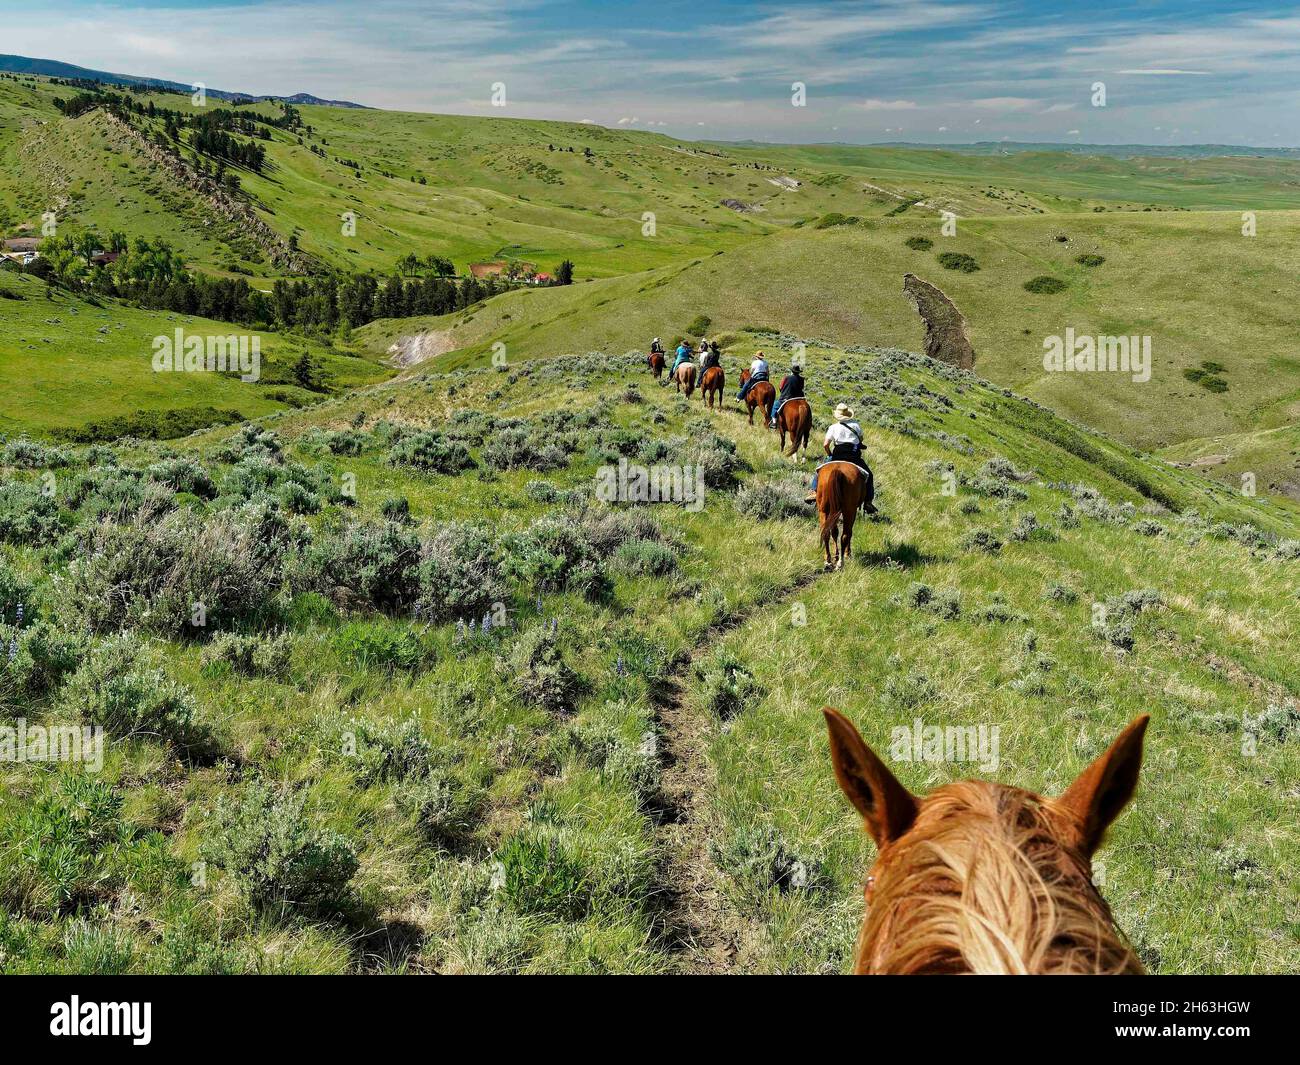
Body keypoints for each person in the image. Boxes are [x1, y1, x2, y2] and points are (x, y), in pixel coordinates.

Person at [807, 403, 876, 511]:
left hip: (837, 456)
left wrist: (829, 454)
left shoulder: (833, 427)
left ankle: (814, 491)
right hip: (854, 457)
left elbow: (825, 444)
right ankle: (868, 502)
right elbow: (860, 440)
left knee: (819, 471)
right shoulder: (856, 425)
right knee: (869, 475)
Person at [768, 363, 805, 428]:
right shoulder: (802, 379)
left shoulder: (786, 378)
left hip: (787, 398)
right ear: (798, 372)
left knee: (775, 405)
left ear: (792, 371)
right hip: (799, 398)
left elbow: (780, 387)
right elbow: (802, 388)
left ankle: (774, 423)